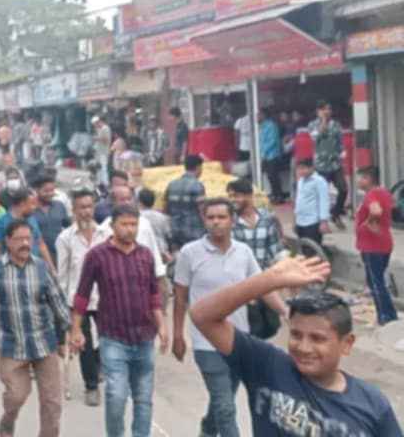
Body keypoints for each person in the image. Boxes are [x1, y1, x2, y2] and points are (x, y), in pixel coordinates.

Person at [190, 257, 403, 436]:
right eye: (296, 334)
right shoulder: (267, 366)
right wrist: (270, 280)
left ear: (346, 344)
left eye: (317, 338)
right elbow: (202, 316)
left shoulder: (373, 405)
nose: (303, 347)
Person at [172, 199, 288, 437]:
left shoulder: (243, 252)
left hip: (237, 341)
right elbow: (180, 297)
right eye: (210, 217)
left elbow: (262, 287)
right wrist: (177, 335)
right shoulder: (190, 253)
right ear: (203, 220)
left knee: (222, 402)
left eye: (221, 217)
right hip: (206, 343)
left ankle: (207, 430)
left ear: (232, 220)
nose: (216, 222)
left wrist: (286, 311)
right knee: (225, 407)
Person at [71, 205, 168, 437]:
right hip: (113, 337)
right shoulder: (97, 256)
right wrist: (76, 329)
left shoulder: (145, 255)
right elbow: (82, 294)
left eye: (133, 224)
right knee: (116, 395)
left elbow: (154, 294)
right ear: (112, 226)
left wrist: (162, 326)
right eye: (124, 224)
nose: (129, 229)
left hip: (144, 336)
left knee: (143, 398)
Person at [0, 219, 71, 437]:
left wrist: (71, 330)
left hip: (44, 343)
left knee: (52, 402)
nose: (24, 243)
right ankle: (7, 422)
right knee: (16, 396)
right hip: (13, 346)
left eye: (28, 239)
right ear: (7, 241)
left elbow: (57, 300)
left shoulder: (41, 266)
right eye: (19, 239)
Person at [55, 189, 109, 407]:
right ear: (74, 211)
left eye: (89, 206)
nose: (86, 212)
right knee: (83, 342)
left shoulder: (106, 235)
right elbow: (63, 274)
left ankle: (99, 369)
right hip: (78, 300)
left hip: (105, 298)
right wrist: (64, 307)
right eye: (82, 208)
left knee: (106, 341)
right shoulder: (65, 238)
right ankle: (91, 386)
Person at [355, 166, 399, 326]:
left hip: (372, 246)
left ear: (368, 179)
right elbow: (392, 208)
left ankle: (385, 317)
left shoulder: (371, 194)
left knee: (376, 284)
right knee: (378, 281)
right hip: (384, 243)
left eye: (361, 177)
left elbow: (376, 210)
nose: (358, 181)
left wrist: (369, 222)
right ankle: (388, 315)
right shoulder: (385, 193)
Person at [226, 179, 283, 271]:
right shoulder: (230, 222)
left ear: (249, 195)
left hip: (266, 275)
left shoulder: (266, 218)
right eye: (230, 196)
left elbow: (275, 250)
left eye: (236, 196)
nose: (232, 200)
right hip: (241, 277)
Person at [309, 100, 348, 230]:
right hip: (321, 165)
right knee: (322, 193)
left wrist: (342, 152)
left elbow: (339, 141)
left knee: (343, 189)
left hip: (335, 163)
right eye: (325, 109)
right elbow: (316, 137)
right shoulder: (312, 125)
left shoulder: (336, 124)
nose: (328, 111)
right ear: (318, 111)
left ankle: (335, 213)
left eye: (329, 109)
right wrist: (323, 121)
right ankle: (321, 221)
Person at [0, 188, 50, 264]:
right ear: (22, 203)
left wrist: (51, 269)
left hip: (34, 266)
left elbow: (41, 244)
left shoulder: (32, 220)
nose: (35, 207)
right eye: (32, 204)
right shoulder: (1, 222)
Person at [164, 155, 206, 252]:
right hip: (193, 231)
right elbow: (202, 210)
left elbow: (165, 208)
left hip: (175, 230)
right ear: (198, 167)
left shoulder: (172, 184)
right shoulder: (198, 186)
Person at [31, 175, 71, 262]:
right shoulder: (30, 209)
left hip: (60, 253)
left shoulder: (59, 206)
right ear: (37, 190)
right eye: (46, 191)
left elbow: (68, 226)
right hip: (38, 256)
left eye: (52, 190)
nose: (50, 194)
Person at [294, 158, 331, 246]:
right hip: (300, 221)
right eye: (299, 169)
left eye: (303, 168)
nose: (301, 171)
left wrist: (324, 221)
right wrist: (294, 220)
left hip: (312, 222)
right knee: (303, 248)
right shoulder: (300, 181)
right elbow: (298, 201)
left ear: (311, 168)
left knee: (314, 249)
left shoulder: (319, 181)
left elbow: (324, 201)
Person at [137, 189, 172, 266]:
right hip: (161, 251)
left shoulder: (136, 217)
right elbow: (169, 235)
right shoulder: (163, 217)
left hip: (142, 249)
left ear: (139, 201)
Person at [257, 108, 285, 203]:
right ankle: (274, 194)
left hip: (272, 155)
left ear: (263, 115)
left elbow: (272, 141)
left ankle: (279, 196)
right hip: (265, 155)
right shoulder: (261, 126)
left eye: (259, 115)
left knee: (274, 176)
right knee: (270, 176)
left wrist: (263, 153)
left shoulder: (271, 125)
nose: (257, 117)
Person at [91, 116, 112, 188]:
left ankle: (105, 183)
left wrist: (96, 138)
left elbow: (106, 139)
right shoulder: (99, 129)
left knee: (103, 168)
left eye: (95, 124)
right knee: (98, 167)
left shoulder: (105, 128)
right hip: (99, 152)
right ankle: (99, 182)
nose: (95, 126)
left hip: (103, 152)